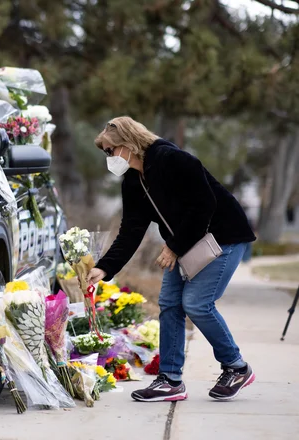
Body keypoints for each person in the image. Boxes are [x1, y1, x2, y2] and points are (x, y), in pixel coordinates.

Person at [87, 117, 257, 402]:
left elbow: (205, 205)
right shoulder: (133, 181)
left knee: (196, 303)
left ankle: (236, 366)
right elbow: (131, 231)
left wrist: (174, 247)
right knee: (169, 304)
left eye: (110, 150)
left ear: (128, 144)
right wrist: (104, 268)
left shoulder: (172, 159)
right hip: (187, 243)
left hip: (224, 236)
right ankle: (170, 380)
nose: (108, 158)